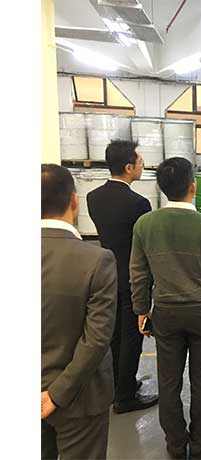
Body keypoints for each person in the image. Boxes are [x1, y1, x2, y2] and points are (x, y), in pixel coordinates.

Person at [130, 157, 201, 459]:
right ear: (193, 186)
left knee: (168, 381)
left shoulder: (145, 224)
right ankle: (200, 440)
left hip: (165, 313)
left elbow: (139, 273)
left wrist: (141, 309)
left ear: (162, 187)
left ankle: (175, 443)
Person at [41, 164, 117, 460]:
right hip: (81, 399)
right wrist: (57, 394)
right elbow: (96, 340)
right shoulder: (97, 260)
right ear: (74, 201)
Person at [87, 140, 158, 414]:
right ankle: (125, 397)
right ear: (129, 167)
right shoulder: (138, 204)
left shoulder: (93, 197)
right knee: (132, 336)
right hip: (132, 277)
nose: (142, 166)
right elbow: (145, 247)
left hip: (106, 274)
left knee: (114, 334)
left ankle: (119, 384)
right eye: (140, 162)